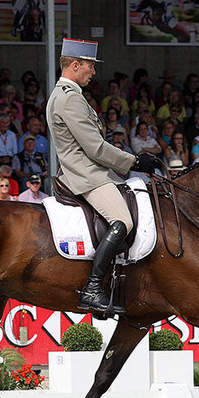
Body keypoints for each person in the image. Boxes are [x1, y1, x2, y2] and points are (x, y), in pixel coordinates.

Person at [45, 38, 156, 316]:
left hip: (90, 170)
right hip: (86, 174)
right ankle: (93, 288)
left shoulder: (70, 95)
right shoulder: (69, 99)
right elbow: (95, 147)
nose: (93, 73)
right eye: (90, 67)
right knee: (124, 220)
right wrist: (134, 160)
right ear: (74, 65)